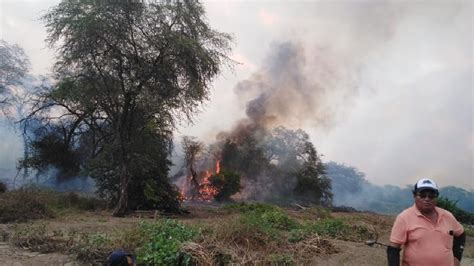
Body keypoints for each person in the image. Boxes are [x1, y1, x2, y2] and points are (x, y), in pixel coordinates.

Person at [387, 178, 465, 266]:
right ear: (414, 196)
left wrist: (457, 258)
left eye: (431, 196)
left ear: (436, 197)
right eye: (422, 195)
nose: (427, 199)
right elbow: (393, 249)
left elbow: (461, 234)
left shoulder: (448, 216)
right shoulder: (404, 218)